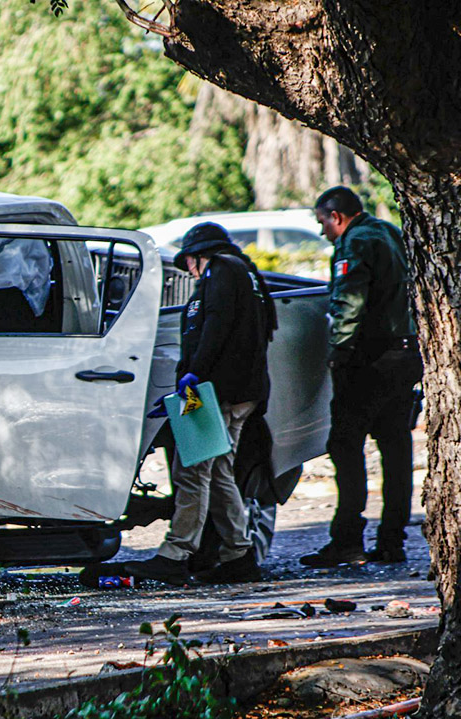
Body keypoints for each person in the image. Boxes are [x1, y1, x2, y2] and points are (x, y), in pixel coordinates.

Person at [127, 222, 277, 586]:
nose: (191, 273)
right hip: (239, 391)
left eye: (190, 265)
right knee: (221, 471)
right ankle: (239, 555)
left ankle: (176, 553)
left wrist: (191, 379)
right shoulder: (249, 274)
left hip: (214, 391)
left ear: (198, 257)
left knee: (191, 468)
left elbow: (215, 326)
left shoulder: (222, 270)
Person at [300, 187, 422, 568]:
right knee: (396, 448)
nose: (323, 232)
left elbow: (350, 300)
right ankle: (392, 541)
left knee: (345, 445)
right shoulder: (389, 231)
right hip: (405, 353)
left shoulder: (356, 242)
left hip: (368, 358)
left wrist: (338, 351)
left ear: (336, 217)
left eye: (322, 222)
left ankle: (347, 540)